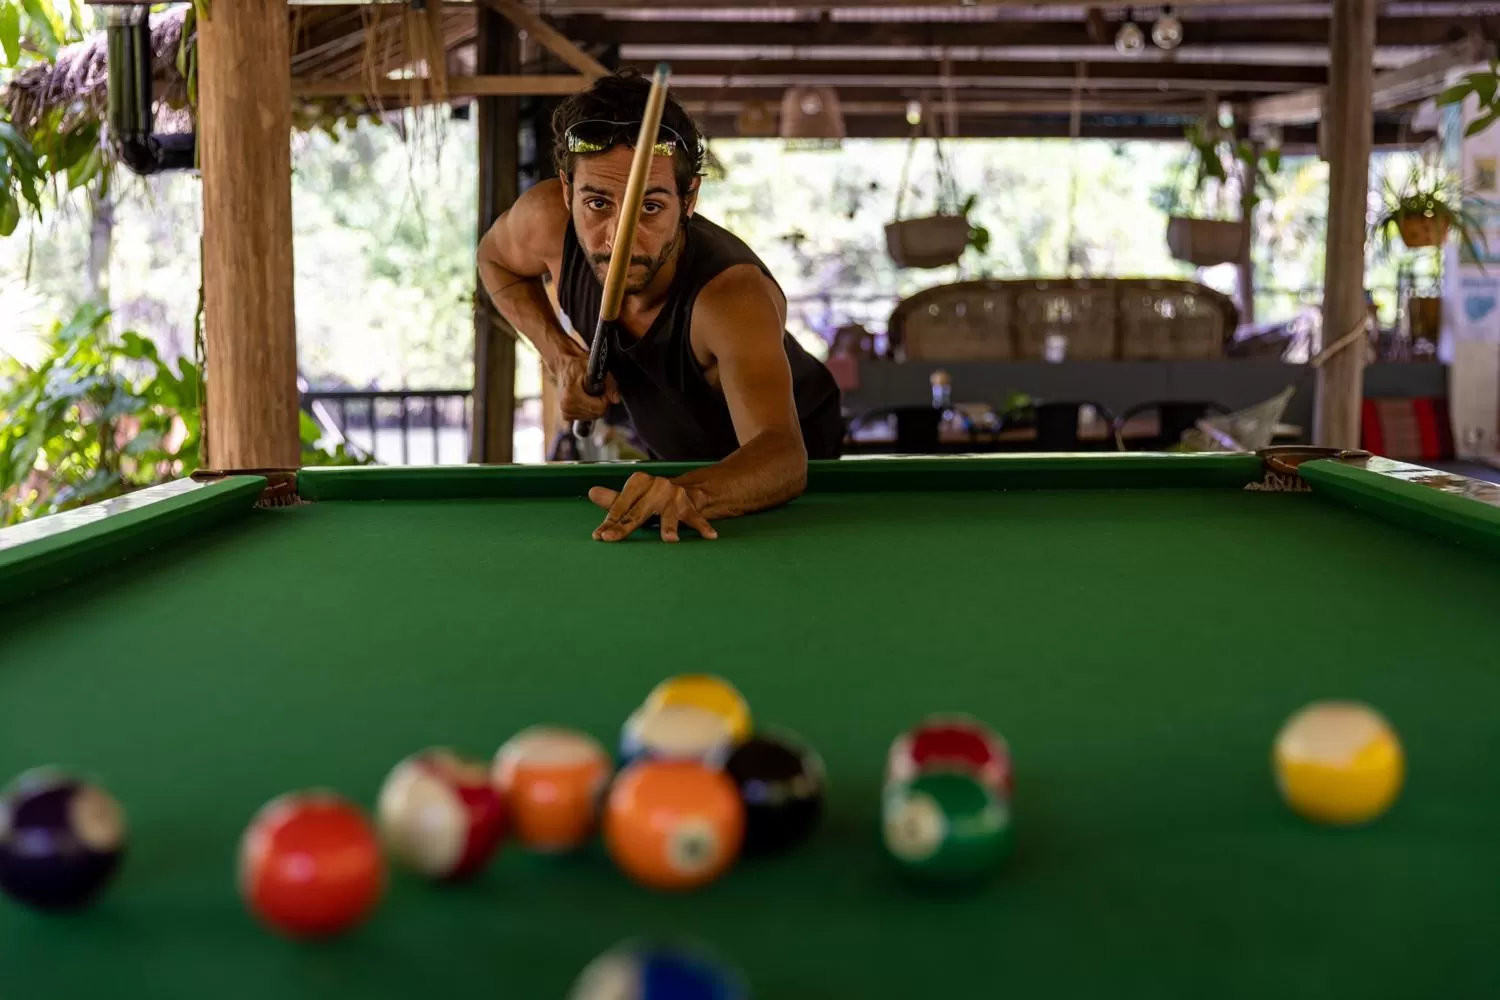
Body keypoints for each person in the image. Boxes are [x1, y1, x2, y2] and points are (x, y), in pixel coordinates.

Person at [477, 71, 844, 543]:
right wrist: (560, 355)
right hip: (674, 461)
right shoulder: (547, 220)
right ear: (567, 191)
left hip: (790, 472)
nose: (619, 237)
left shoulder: (731, 297)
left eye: (649, 207)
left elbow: (782, 457)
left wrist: (686, 494)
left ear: (689, 200)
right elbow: (495, 261)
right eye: (597, 203)